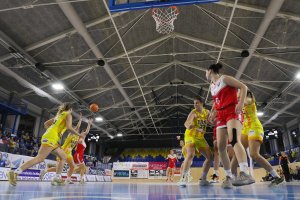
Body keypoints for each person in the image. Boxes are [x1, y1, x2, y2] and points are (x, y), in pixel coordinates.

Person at [6, 103, 81, 186]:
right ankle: (15, 172)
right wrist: (79, 134)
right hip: (51, 138)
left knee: (63, 156)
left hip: (52, 138)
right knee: (40, 158)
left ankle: (57, 178)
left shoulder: (59, 115)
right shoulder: (68, 114)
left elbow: (46, 124)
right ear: (70, 109)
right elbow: (69, 127)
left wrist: (52, 131)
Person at [206, 63, 255, 188]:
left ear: (210, 71)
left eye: (205, 72)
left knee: (233, 140)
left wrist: (241, 103)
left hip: (232, 111)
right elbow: (216, 101)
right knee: (220, 146)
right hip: (221, 115)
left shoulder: (225, 79)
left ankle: (245, 172)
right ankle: (229, 176)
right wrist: (212, 113)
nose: (205, 74)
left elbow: (243, 87)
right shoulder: (212, 86)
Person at [231, 91, 284, 186]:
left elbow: (244, 101)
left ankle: (276, 176)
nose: (237, 93)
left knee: (253, 154)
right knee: (237, 152)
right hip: (245, 128)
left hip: (254, 127)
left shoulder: (249, 100)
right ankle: (229, 177)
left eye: (239, 91)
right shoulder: (240, 103)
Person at [179, 97, 212, 187]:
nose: (195, 105)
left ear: (202, 103)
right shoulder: (193, 112)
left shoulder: (207, 112)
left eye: (197, 103)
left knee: (210, 157)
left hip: (200, 138)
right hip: (190, 136)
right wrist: (191, 126)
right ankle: (183, 178)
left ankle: (203, 178)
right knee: (190, 154)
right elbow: (186, 123)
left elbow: (211, 122)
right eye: (194, 103)